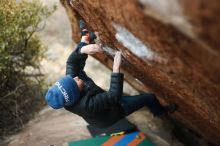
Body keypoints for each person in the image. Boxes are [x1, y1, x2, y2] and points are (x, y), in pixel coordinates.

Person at [45, 20, 177, 128]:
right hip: (112, 113)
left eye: (71, 78)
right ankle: (161, 112)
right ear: (76, 93)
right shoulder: (87, 106)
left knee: (83, 47)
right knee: (149, 98)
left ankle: (86, 38)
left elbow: (72, 64)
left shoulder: (71, 83)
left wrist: (83, 49)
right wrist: (116, 69)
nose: (75, 77)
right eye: (75, 81)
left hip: (98, 102)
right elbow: (114, 96)